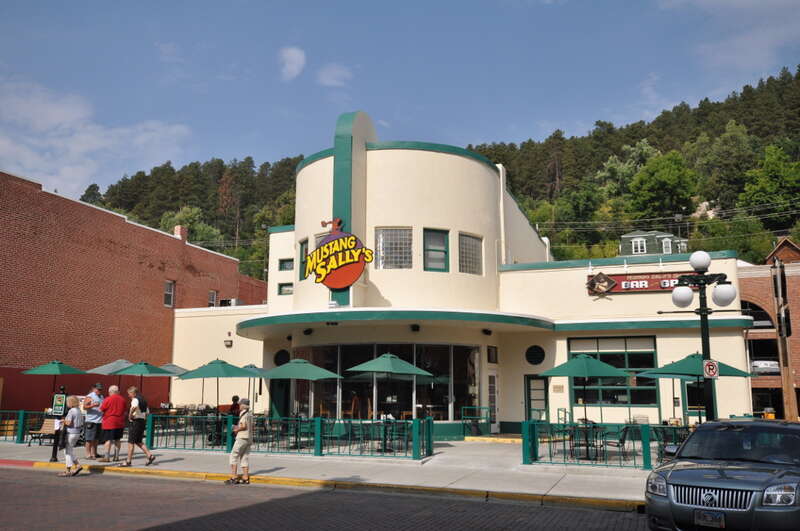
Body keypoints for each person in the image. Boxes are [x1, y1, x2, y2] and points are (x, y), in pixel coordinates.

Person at [120, 386, 155, 467]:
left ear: (133, 393)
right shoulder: (144, 400)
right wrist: (144, 420)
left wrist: (130, 416)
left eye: (129, 394)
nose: (128, 395)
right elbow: (147, 412)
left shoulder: (135, 399)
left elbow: (134, 407)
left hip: (135, 422)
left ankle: (128, 461)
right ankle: (150, 456)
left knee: (131, 442)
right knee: (139, 441)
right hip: (142, 422)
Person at [225, 397, 252, 485]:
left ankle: (234, 477)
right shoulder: (250, 414)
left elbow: (243, 426)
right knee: (244, 457)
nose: (239, 405)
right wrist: (238, 427)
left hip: (242, 438)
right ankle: (245, 478)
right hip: (248, 438)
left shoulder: (243, 414)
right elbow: (249, 426)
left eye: (240, 404)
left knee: (233, 456)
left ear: (243, 405)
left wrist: (236, 429)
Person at [98, 385, 126, 462]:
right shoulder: (123, 399)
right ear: (117, 392)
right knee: (117, 439)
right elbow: (124, 410)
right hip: (119, 422)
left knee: (108, 440)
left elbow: (101, 410)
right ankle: (116, 457)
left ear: (110, 392)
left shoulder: (107, 399)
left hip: (109, 422)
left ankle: (107, 457)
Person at [59, 396, 84, 477]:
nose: (67, 404)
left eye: (68, 402)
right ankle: (77, 465)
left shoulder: (71, 411)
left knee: (67, 452)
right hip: (77, 433)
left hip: (70, 433)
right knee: (69, 451)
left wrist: (63, 421)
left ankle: (68, 470)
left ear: (71, 402)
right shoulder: (78, 410)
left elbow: (69, 423)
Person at [83, 382, 104, 459]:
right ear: (94, 389)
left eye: (100, 389)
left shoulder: (101, 396)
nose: (99, 391)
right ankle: (88, 454)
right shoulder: (90, 396)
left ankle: (94, 453)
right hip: (91, 420)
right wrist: (93, 405)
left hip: (99, 420)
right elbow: (84, 407)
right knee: (89, 438)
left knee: (96, 439)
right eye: (98, 389)